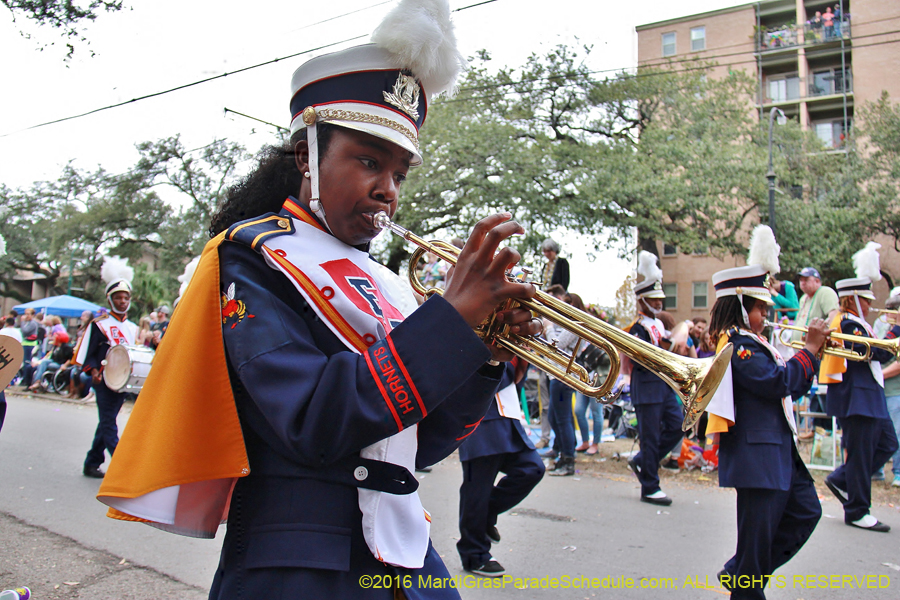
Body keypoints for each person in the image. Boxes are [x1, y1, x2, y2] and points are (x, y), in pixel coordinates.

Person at [96, 4, 542, 598]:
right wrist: (450, 319)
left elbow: (421, 442)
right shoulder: (249, 259)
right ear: (307, 157)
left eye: (400, 172)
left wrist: (483, 354)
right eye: (368, 160)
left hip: (405, 554)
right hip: (300, 569)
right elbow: (311, 421)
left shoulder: (383, 281)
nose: (387, 188)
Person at [705, 225, 826, 599]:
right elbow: (777, 382)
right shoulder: (738, 346)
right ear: (741, 307)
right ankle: (746, 580)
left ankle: (742, 573)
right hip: (758, 456)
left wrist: (811, 356)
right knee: (757, 543)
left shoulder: (756, 344)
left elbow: (793, 383)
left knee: (806, 512)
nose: (765, 315)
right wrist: (809, 350)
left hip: (777, 452)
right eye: (759, 308)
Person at [820, 242, 899, 532]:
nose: (870, 303)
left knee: (888, 444)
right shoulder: (848, 323)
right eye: (866, 299)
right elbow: (874, 352)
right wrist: (895, 331)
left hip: (869, 397)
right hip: (857, 399)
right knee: (863, 453)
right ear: (853, 299)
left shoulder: (858, 323)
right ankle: (857, 510)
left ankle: (843, 479)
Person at [457, 359, 544, 577]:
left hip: (507, 412)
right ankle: (474, 554)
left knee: (532, 468)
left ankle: (486, 515)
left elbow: (514, 378)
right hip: (479, 412)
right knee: (477, 488)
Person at [625, 251, 682, 505]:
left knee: (677, 425)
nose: (658, 304)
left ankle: (642, 462)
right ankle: (650, 486)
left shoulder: (658, 324)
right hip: (647, 387)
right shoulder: (637, 327)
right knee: (650, 438)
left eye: (659, 300)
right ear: (643, 301)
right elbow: (640, 357)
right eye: (653, 300)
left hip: (664, 386)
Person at [74, 256, 138, 478]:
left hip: (123, 381)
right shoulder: (99, 325)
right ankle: (122, 466)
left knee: (106, 422)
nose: (122, 301)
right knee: (110, 422)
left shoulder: (133, 327)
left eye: (125, 297)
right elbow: (88, 354)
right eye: (118, 297)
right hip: (103, 380)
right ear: (110, 299)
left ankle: (92, 462)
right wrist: (93, 371)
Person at [542, 286, 580, 476]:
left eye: (566, 304)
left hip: (564, 376)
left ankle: (568, 459)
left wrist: (548, 328)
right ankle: (563, 453)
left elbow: (556, 345)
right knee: (555, 418)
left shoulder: (574, 323)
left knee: (562, 419)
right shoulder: (566, 324)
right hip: (557, 375)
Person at [879, 293, 900, 488]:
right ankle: (876, 471)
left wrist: (878, 375)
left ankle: (899, 473)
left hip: (896, 391)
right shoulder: (888, 331)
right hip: (885, 390)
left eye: (891, 311)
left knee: (897, 433)